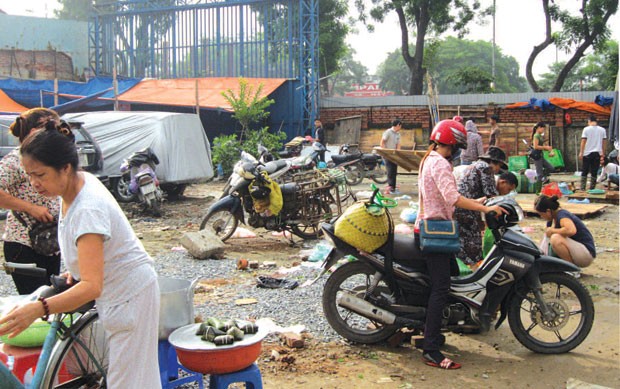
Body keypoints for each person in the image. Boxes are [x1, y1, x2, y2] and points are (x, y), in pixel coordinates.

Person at [0, 123, 162, 387]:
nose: (34, 183)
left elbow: (91, 285)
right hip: (116, 292)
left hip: (130, 294)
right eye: (29, 175)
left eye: (40, 174)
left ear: (65, 168)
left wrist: (38, 309)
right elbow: (89, 254)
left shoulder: (88, 208)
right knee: (133, 376)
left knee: (130, 381)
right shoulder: (73, 186)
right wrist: (74, 272)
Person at [415, 119, 505, 370]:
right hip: (435, 232)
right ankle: (431, 349)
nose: (457, 152)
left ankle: (431, 331)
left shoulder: (428, 159)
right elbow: (452, 198)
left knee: (448, 278)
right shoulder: (440, 163)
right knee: (441, 288)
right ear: (452, 144)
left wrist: (477, 201)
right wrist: (483, 207)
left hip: (429, 227)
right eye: (457, 147)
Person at [0, 108, 61, 294]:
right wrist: (31, 208)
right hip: (23, 244)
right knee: (35, 303)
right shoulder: (17, 160)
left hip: (49, 242)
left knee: (50, 302)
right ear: (35, 131)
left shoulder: (50, 158)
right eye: (51, 128)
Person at [454, 146, 508, 265]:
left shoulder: (475, 165)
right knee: (474, 245)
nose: (498, 170)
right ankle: (474, 273)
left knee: (462, 243)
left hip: (461, 207)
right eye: (499, 166)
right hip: (468, 209)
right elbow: (491, 195)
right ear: (495, 162)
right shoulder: (486, 168)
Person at [534, 195, 595, 267]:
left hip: (586, 254)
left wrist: (553, 231)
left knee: (555, 238)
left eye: (541, 214)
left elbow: (571, 230)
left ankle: (570, 268)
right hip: (577, 252)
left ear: (548, 211)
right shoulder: (551, 220)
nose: (541, 217)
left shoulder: (562, 215)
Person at [579, 115, 607, 191]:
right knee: (594, 171)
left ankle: (582, 188)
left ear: (589, 121)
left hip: (587, 153)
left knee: (585, 170)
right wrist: (603, 153)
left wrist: (581, 152)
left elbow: (583, 141)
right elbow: (604, 142)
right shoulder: (602, 130)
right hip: (597, 153)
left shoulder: (586, 129)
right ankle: (592, 188)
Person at [380, 119, 402, 194]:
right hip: (387, 154)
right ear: (398, 125)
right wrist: (384, 152)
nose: (400, 127)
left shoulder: (398, 134)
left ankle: (393, 187)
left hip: (394, 154)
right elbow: (382, 141)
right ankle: (390, 186)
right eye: (400, 126)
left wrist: (398, 153)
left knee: (394, 170)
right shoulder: (388, 132)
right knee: (390, 170)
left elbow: (398, 145)